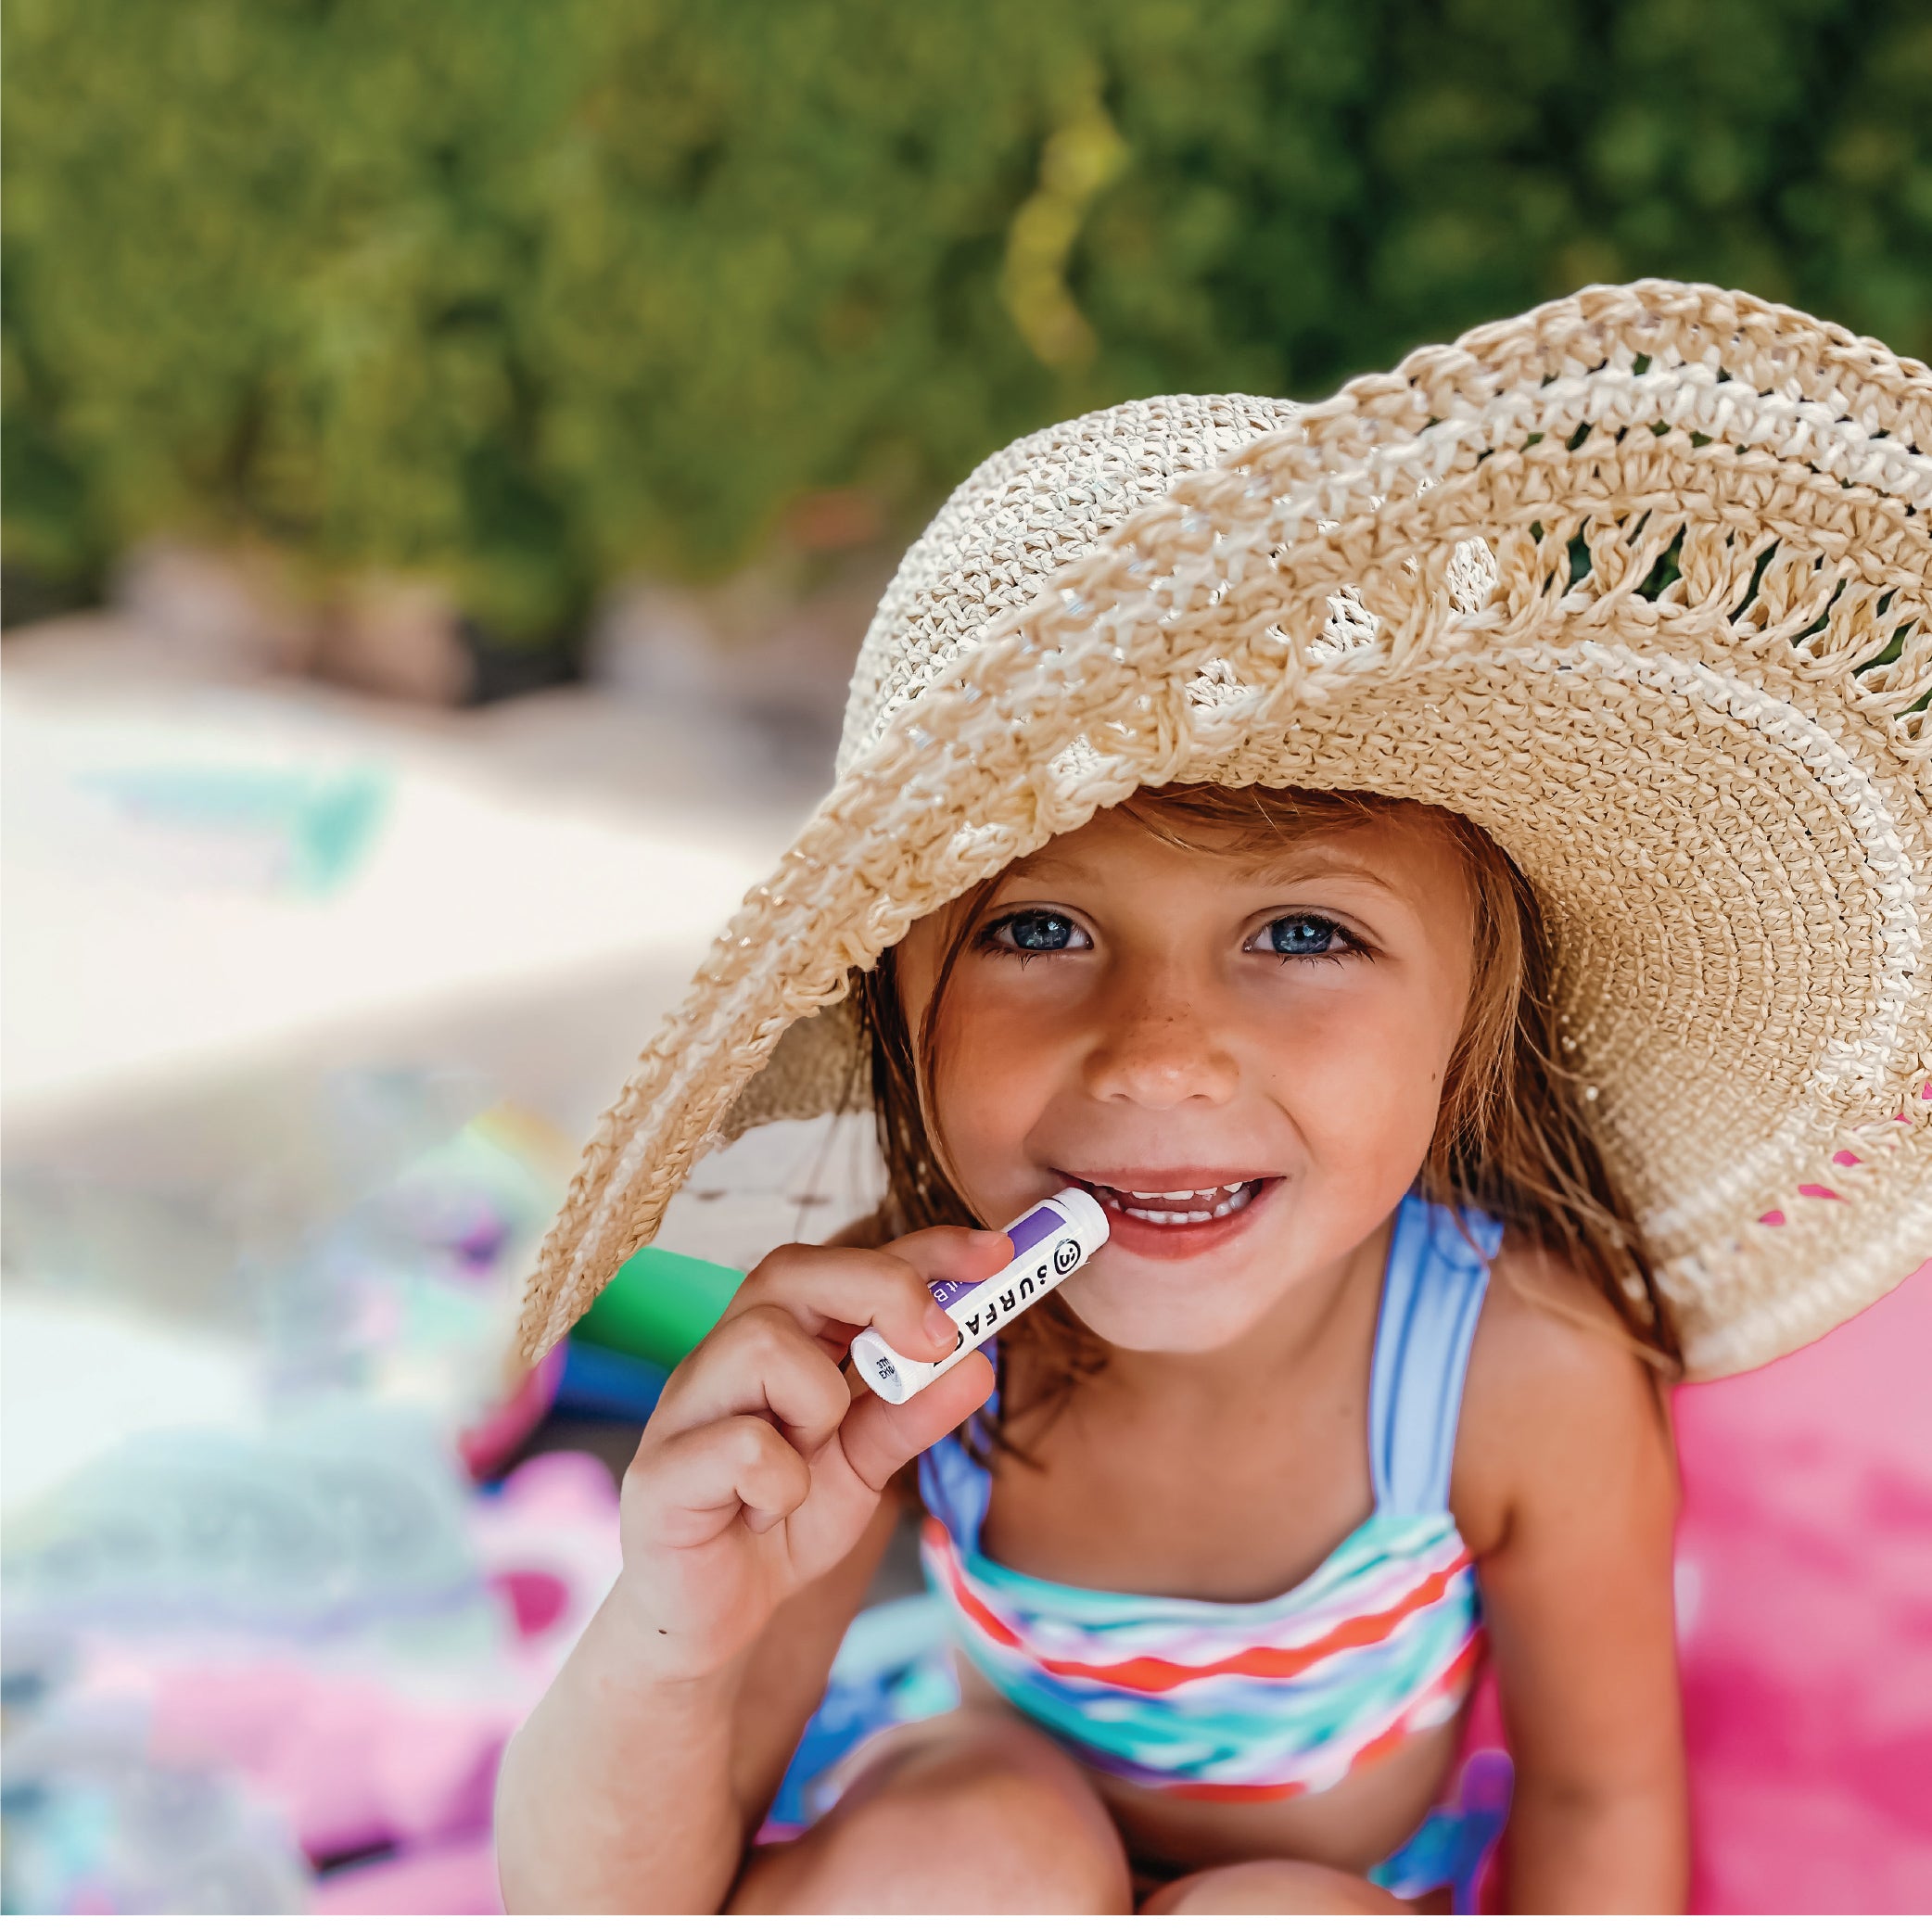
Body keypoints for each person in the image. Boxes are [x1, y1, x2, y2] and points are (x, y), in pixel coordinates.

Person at [494, 281, 1932, 1913]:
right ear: (893, 1009)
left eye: (1303, 932)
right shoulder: (892, 1355)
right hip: (972, 1836)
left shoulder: (1516, 1371)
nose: (1162, 1056)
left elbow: (1603, 1808)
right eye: (1037, 928)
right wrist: (675, 1630)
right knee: (972, 1851)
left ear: (1469, 1026)